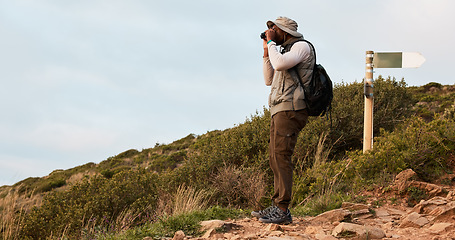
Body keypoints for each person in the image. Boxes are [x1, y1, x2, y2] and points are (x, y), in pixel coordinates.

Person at [251, 16, 315, 224]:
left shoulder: (301, 47)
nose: (270, 32)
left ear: (284, 31)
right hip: (279, 109)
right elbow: (269, 79)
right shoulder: (282, 51)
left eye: (273, 30)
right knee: (274, 157)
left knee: (282, 156)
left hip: (292, 109)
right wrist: (265, 52)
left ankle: (282, 209)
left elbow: (279, 65)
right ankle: (277, 204)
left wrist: (270, 44)